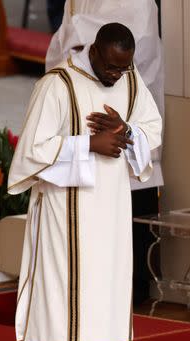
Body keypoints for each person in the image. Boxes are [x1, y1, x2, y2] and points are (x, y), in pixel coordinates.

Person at [9, 23, 162, 341]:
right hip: (66, 209)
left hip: (110, 206)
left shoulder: (129, 80)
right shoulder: (57, 85)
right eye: (110, 67)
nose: (115, 76)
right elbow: (31, 152)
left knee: (107, 291)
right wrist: (89, 144)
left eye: (122, 69)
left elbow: (151, 127)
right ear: (94, 51)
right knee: (71, 293)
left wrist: (126, 132)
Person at [46, 0, 164, 304]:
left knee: (122, 262)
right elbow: (61, 49)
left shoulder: (138, 4)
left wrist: (77, 37)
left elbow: (127, 55)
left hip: (120, 137)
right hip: (80, 137)